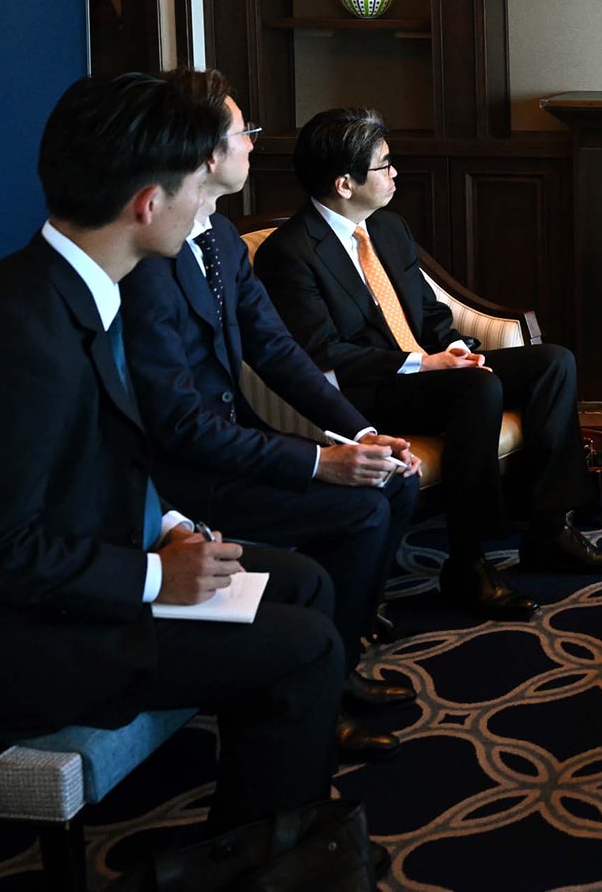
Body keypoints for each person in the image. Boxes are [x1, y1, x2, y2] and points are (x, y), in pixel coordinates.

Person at [0, 73, 344, 831]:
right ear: (149, 204)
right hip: (15, 640)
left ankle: (256, 831)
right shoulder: (17, 334)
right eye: (196, 186)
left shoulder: (81, 285)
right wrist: (156, 574)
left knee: (304, 583)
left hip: (85, 573)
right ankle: (267, 859)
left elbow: (101, 462)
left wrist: (170, 526)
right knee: (308, 644)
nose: (204, 205)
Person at [121, 70, 420, 760]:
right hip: (182, 474)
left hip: (233, 443)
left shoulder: (221, 238)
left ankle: (338, 660)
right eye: (243, 132)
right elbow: (178, 425)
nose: (255, 143)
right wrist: (321, 461)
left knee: (393, 481)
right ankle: (318, 687)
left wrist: (362, 431)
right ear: (205, 156)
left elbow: (278, 351)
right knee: (360, 511)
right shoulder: (149, 263)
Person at [256, 107, 602, 623]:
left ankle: (549, 530)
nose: (395, 173)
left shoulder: (388, 228)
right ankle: (468, 563)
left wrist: (455, 348)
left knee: (553, 363)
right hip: (370, 392)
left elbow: (430, 313)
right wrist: (422, 364)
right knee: (477, 389)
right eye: (384, 165)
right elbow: (321, 352)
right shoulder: (290, 253)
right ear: (345, 183)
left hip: (432, 372)